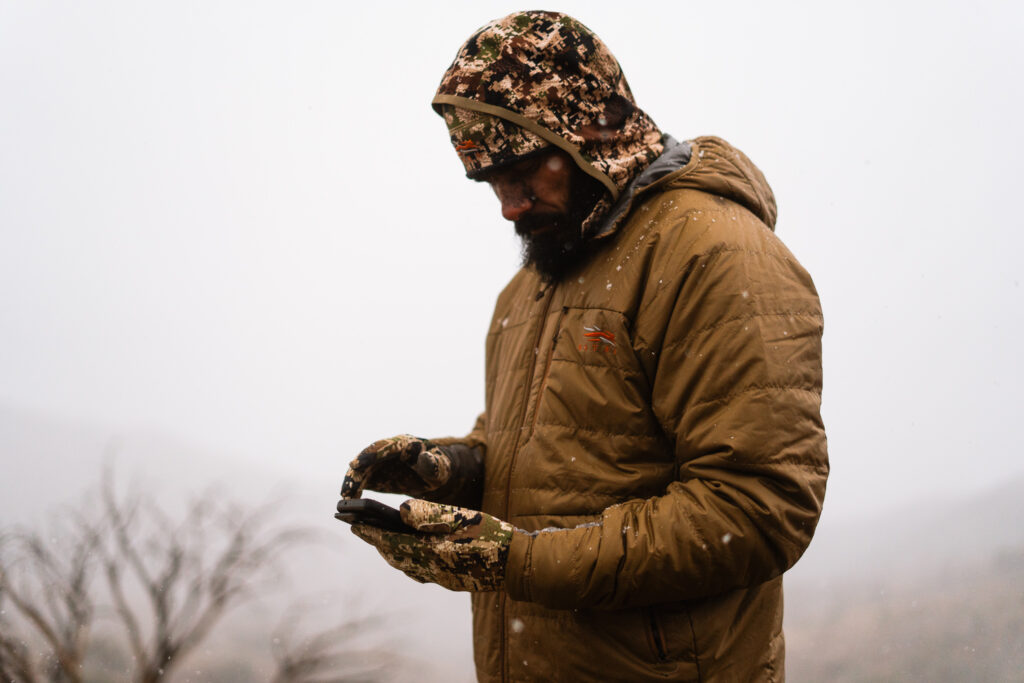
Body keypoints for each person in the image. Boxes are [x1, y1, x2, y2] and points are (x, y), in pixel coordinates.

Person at [339, 10, 828, 682]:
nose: (509, 205)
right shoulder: (530, 288)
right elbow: (553, 458)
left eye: (521, 169)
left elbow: (757, 508)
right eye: (489, 182)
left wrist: (518, 561)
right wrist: (451, 469)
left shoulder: (715, 255)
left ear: (585, 132)